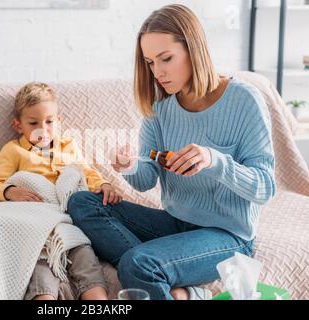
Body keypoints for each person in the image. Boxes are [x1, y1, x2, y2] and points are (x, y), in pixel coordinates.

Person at [67, 4, 276, 300]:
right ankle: (176, 281)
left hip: (228, 237)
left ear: (194, 49)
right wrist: (128, 166)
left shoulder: (244, 100)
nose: (158, 72)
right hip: (176, 225)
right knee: (82, 202)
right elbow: (145, 180)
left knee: (139, 263)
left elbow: (265, 188)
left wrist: (215, 161)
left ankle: (161, 273)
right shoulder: (161, 107)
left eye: (166, 58)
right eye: (150, 62)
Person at [0, 82, 123, 300]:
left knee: (86, 260)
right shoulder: (14, 150)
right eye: (33, 123)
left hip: (68, 221)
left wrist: (103, 185)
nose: (43, 129)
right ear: (18, 125)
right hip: (37, 227)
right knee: (41, 269)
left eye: (49, 122)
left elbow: (86, 173)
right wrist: (11, 191)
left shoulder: (68, 146)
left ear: (59, 122)